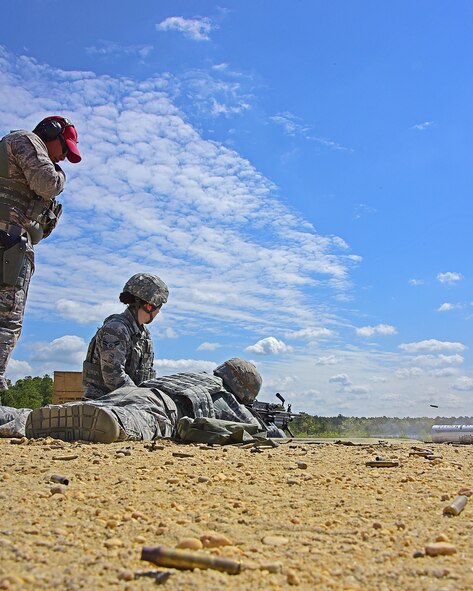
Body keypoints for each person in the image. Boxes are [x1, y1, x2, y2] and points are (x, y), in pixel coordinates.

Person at [0, 358, 280, 442]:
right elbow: (256, 429)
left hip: (134, 391)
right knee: (138, 422)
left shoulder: (196, 375)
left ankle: (11, 415)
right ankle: (115, 423)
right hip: (162, 408)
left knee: (67, 410)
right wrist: (276, 428)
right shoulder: (225, 396)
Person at [0, 116, 81, 394]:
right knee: (5, 321)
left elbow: (38, 230)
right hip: (7, 244)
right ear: (50, 133)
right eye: (64, 149)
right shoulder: (26, 140)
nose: (63, 158)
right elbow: (47, 183)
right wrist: (60, 176)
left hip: (10, 242)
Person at [82, 272, 169, 400]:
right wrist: (145, 400)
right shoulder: (116, 329)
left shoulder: (144, 336)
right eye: (159, 306)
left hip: (130, 404)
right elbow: (114, 378)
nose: (159, 312)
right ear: (149, 306)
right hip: (104, 406)